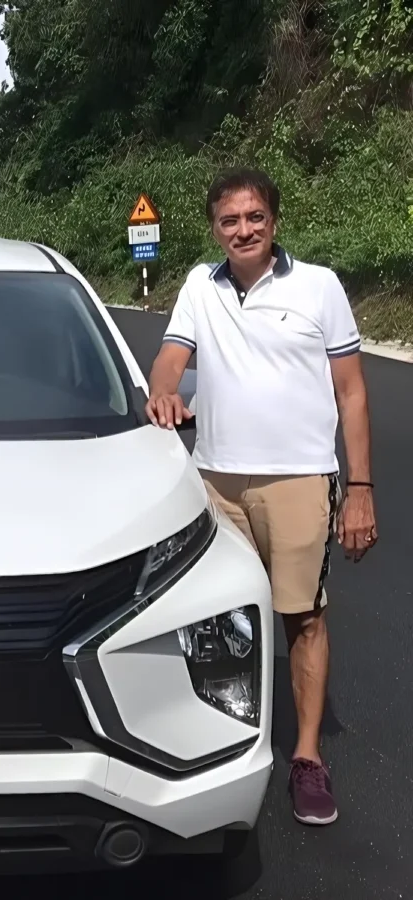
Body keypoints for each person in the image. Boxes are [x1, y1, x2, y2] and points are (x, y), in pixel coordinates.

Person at [145, 168, 377, 827]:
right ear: (214, 227)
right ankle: (220, 744)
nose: (243, 230)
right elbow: (172, 356)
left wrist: (359, 487)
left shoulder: (318, 287)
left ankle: (306, 758)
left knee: (300, 617)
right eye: (229, 221)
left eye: (255, 218)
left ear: (274, 222)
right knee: (214, 622)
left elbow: (353, 392)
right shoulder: (199, 285)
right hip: (215, 481)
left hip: (300, 480)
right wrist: (164, 389)